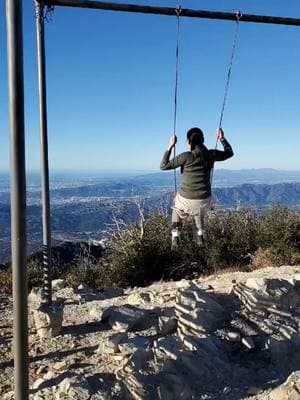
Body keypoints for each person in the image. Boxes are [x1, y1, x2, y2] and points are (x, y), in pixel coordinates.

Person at [160, 127, 234, 249]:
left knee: (176, 208)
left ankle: (176, 235)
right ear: (203, 140)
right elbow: (229, 153)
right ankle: (200, 234)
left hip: (185, 201)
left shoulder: (186, 156)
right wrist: (222, 138)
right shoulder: (211, 154)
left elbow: (163, 166)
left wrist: (170, 146)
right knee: (199, 209)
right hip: (205, 201)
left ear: (188, 141)